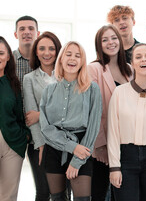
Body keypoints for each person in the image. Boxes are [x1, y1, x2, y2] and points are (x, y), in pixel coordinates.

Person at [107, 43, 146, 201]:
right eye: (138, 57)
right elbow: (113, 132)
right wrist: (114, 167)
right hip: (125, 159)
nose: (144, 60)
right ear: (133, 63)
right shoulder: (119, 93)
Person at [39, 41, 102, 201]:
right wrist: (70, 147)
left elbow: (93, 128)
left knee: (82, 198)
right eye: (68, 54)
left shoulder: (92, 89)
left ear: (82, 62)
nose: (72, 59)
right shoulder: (49, 90)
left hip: (83, 146)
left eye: (77, 55)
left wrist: (76, 159)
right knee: (57, 198)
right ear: (61, 59)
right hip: (53, 148)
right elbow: (45, 128)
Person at [88, 25, 133, 201]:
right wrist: (100, 145)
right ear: (99, 45)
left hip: (127, 142)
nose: (110, 43)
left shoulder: (130, 69)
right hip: (103, 143)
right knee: (99, 192)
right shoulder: (94, 69)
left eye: (113, 38)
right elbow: (92, 111)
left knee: (121, 193)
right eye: (104, 40)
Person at [23, 31, 62, 201]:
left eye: (52, 48)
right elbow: (31, 116)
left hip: (64, 142)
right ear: (36, 52)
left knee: (62, 193)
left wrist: (41, 114)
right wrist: (41, 146)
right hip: (39, 143)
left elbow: (69, 111)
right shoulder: (29, 79)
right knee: (43, 191)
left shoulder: (66, 76)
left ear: (58, 51)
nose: (47, 53)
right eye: (42, 49)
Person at [0, 37, 31, 201]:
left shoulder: (13, 84)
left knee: (8, 195)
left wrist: (24, 136)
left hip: (12, 144)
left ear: (7, 57)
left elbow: (19, 115)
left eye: (0, 53)